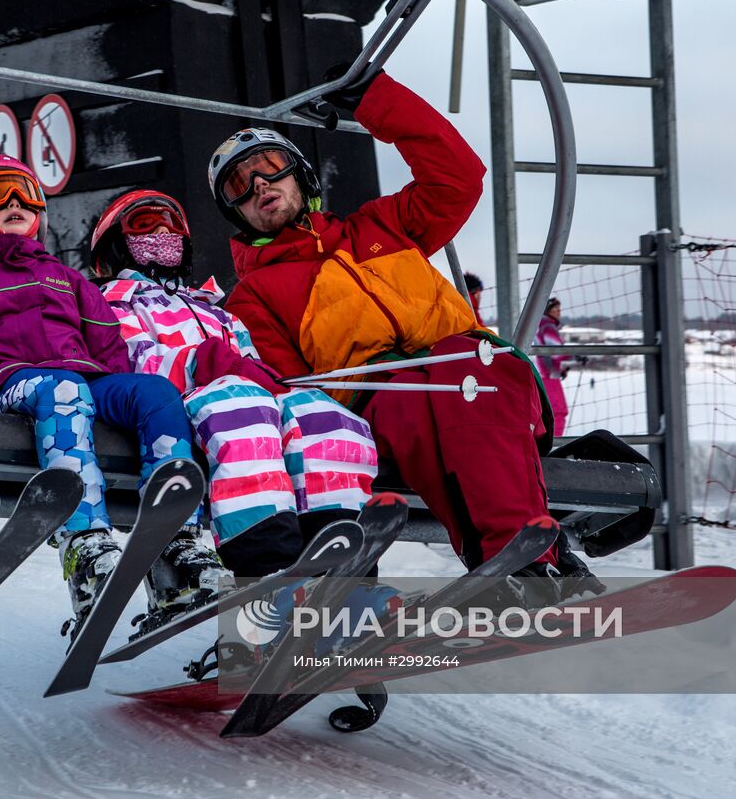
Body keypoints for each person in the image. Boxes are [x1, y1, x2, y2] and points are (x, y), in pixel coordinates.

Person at [210, 69, 599, 599]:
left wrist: (376, 102)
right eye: (239, 185)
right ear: (237, 212)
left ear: (300, 176)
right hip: (379, 393)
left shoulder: (382, 227)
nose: (259, 186)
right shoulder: (254, 295)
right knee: (420, 407)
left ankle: (521, 562)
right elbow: (288, 385)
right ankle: (524, 562)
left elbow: (458, 176)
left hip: (466, 359)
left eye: (269, 168)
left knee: (474, 376)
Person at [0, 156, 230, 626]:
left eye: (25, 194)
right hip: (11, 383)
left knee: (155, 392)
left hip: (86, 381)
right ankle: (85, 542)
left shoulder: (68, 278)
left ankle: (176, 545)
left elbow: (107, 344)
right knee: (62, 389)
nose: (15, 203)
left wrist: (119, 398)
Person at [89, 189, 378, 579]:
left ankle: (337, 559)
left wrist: (265, 378)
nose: (161, 229)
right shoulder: (113, 301)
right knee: (242, 407)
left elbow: (250, 362)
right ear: (115, 243)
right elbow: (135, 362)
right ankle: (265, 564)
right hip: (179, 406)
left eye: (171, 223)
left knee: (322, 415)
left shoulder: (214, 309)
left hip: (240, 397)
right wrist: (204, 361)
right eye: (144, 224)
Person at [535, 297, 570, 438]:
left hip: (538, 375)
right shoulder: (548, 326)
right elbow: (558, 352)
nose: (559, 313)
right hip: (547, 378)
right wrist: (577, 358)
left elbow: (545, 354)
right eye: (556, 310)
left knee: (541, 413)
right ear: (548, 311)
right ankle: (555, 444)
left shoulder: (536, 325)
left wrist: (559, 369)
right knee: (558, 411)